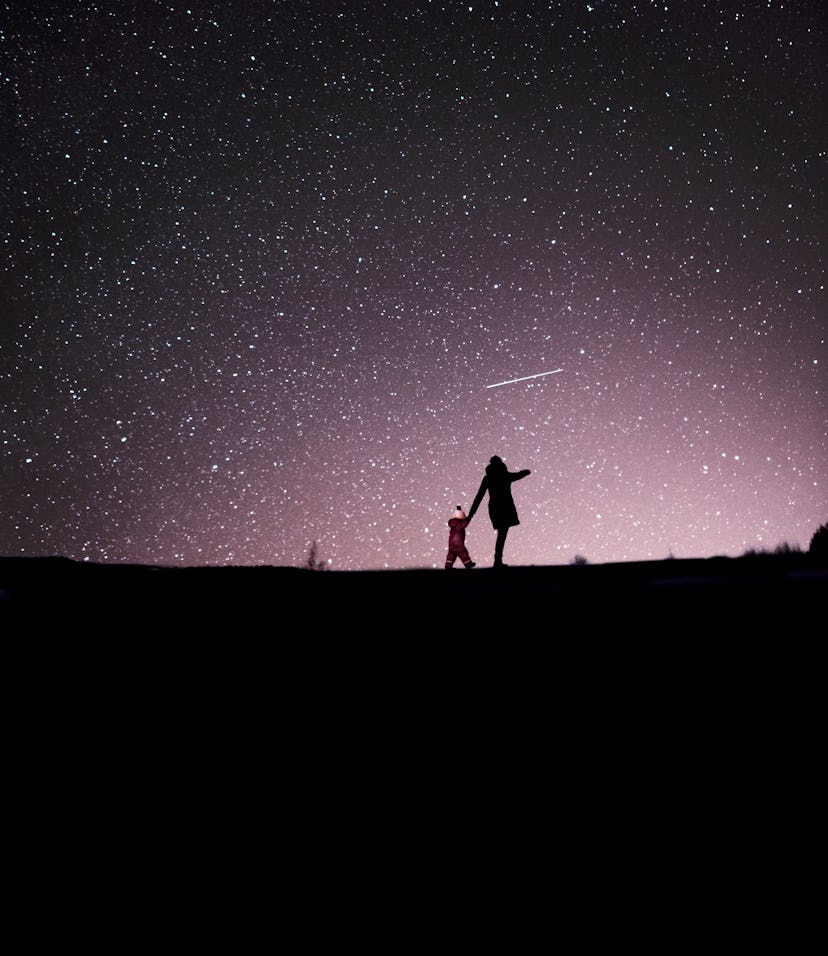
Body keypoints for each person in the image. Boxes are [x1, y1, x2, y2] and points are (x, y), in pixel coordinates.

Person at [467, 456, 531, 567]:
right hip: (505, 507)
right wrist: (526, 472)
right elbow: (518, 475)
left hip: (495, 507)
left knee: (501, 533)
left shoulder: (488, 478)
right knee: (502, 534)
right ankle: (497, 560)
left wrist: (471, 514)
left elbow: (479, 497)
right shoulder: (504, 475)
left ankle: (497, 560)